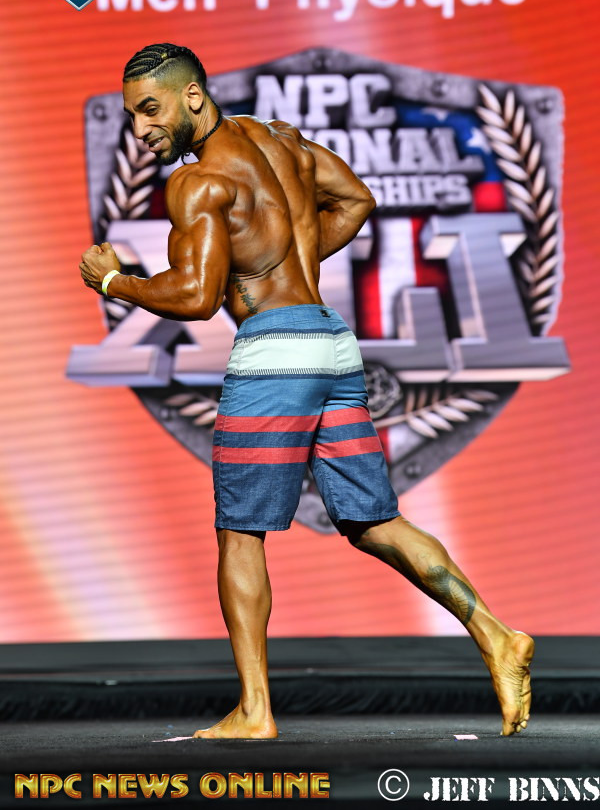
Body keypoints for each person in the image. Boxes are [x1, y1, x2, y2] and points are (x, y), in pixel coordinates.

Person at [79, 43, 534, 740]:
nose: (140, 129)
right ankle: (497, 635)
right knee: (373, 521)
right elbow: (356, 199)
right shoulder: (280, 142)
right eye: (132, 116)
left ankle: (255, 711)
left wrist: (115, 281)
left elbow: (196, 297)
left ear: (193, 96)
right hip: (331, 342)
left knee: (240, 532)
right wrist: (283, 262)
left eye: (150, 109)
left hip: (274, 357)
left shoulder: (197, 182)